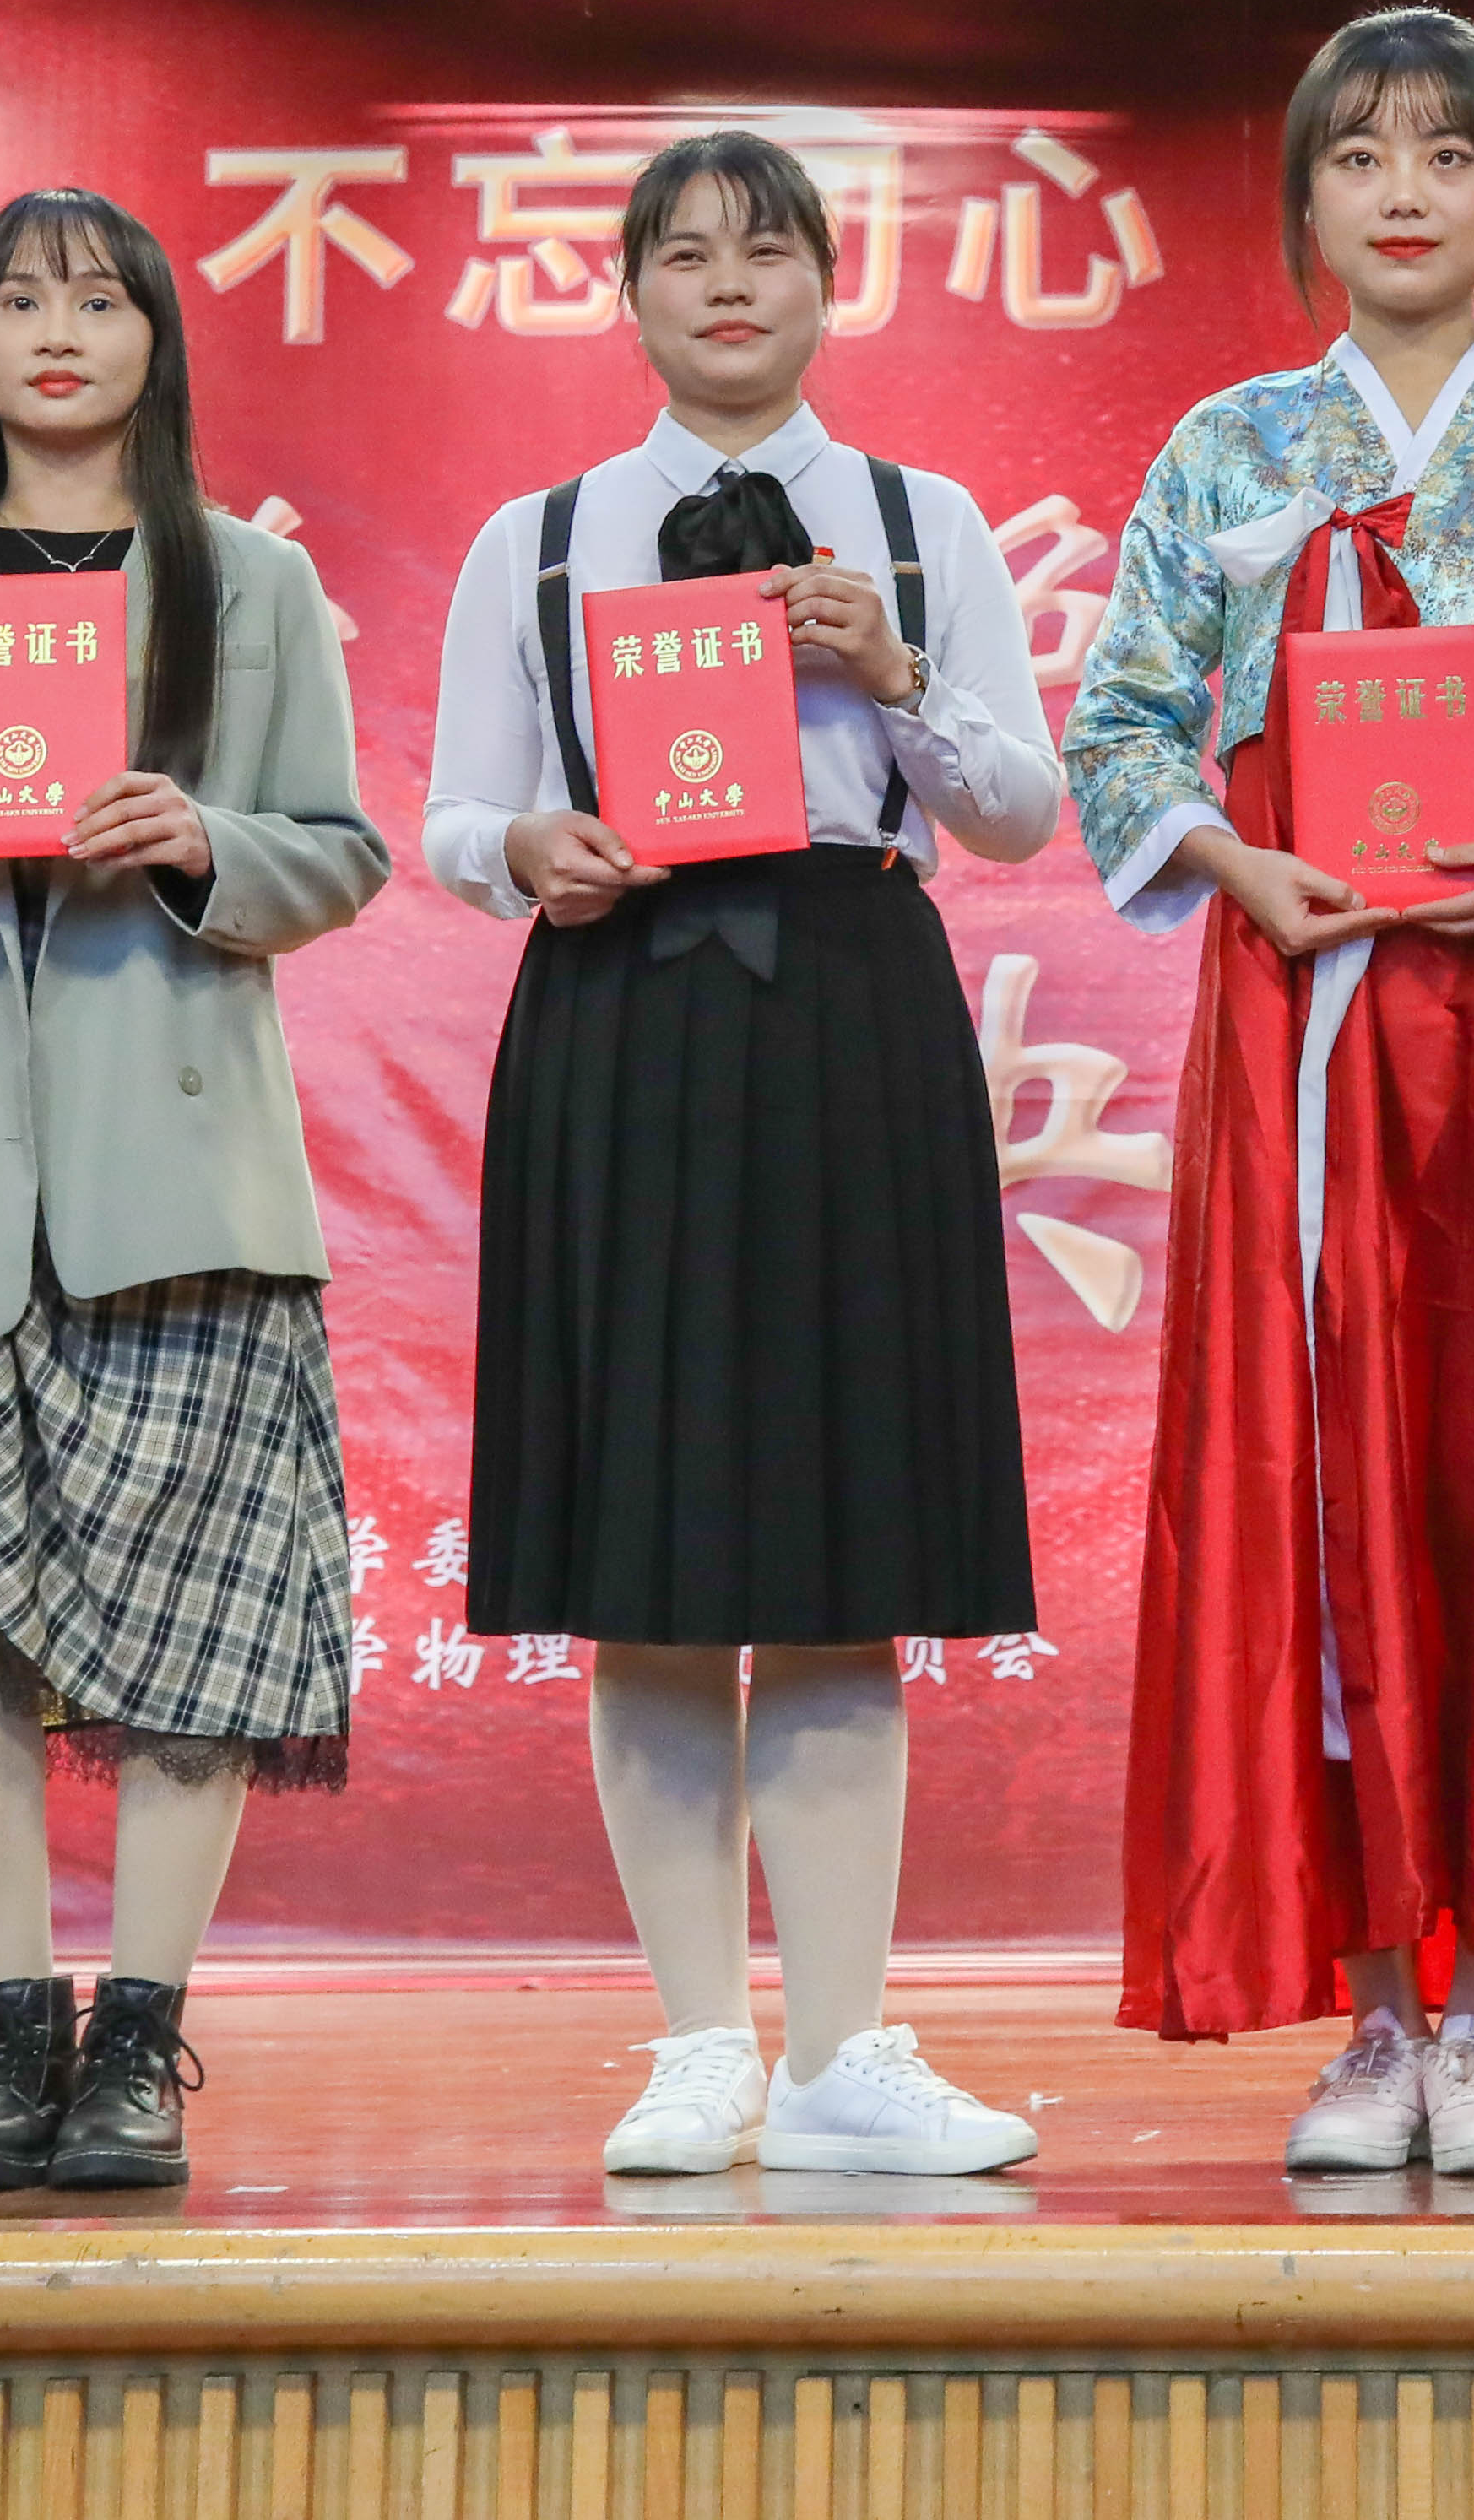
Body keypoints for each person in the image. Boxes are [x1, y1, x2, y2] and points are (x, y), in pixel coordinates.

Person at [1069, 6, 1474, 2177]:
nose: (1407, 191)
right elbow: (1123, 715)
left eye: (1450, 154)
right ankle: (1368, 2009)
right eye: (1360, 155)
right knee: (1314, 1458)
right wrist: (1231, 855)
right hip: (1304, 985)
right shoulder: (1231, 444)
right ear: (1305, 207)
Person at [428, 132, 1065, 2182]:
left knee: (840, 1547)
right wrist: (527, 847)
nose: (728, 283)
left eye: (768, 250)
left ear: (825, 285)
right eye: (686, 253)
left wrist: (893, 670)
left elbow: (1019, 809)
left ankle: (845, 2046)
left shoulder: (922, 519)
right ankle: (701, 2038)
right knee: (648, 1551)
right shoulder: (539, 537)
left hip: (853, 1009)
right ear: (626, 292)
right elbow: (457, 816)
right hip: (622, 1009)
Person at [0, 191, 389, 2194]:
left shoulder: (247, 582)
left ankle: (137, 2046)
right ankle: (11, 2040)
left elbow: (343, 848)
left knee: (198, 1633)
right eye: (18, 299)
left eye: (99, 301)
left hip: (180, 1184)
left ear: (154, 345)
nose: (57, 331)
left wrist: (200, 840)